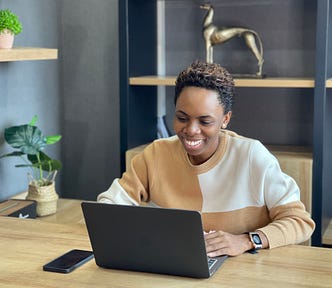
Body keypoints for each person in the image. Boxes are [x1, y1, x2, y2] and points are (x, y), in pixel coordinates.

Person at [97, 60, 315, 257]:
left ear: (225, 119)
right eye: (182, 118)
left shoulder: (252, 156)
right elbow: (107, 207)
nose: (191, 130)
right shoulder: (156, 154)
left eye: (205, 121)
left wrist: (247, 240)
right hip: (175, 269)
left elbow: (300, 222)